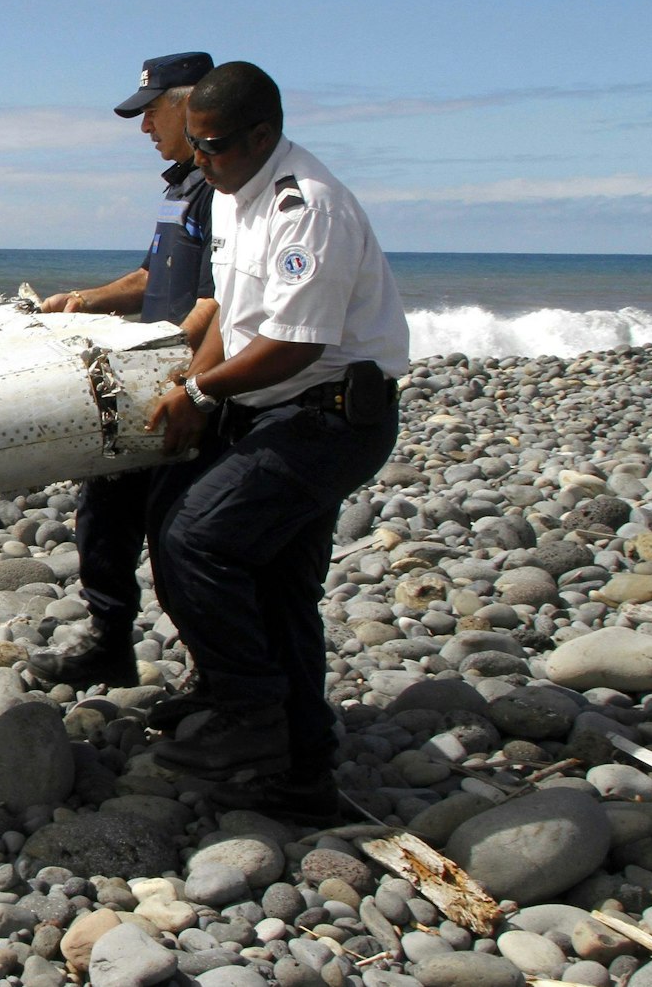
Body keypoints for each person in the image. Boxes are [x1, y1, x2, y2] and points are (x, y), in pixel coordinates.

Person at [144, 62, 408, 821]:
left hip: (329, 416)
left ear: (263, 136)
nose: (199, 161)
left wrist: (199, 391)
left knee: (200, 540)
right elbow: (234, 306)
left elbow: (294, 343)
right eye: (193, 145)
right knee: (272, 580)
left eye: (214, 146)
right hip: (272, 407)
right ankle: (301, 772)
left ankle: (249, 712)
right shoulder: (234, 192)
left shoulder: (308, 209)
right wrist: (198, 386)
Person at [29, 51, 220, 690]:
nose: (144, 128)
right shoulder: (179, 189)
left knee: (180, 536)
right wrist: (83, 300)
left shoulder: (223, 192)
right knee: (104, 512)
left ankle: (212, 673)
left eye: (151, 112)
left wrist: (182, 379)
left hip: (190, 384)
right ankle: (110, 641)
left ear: (192, 106)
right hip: (151, 377)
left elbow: (219, 304)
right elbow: (149, 278)